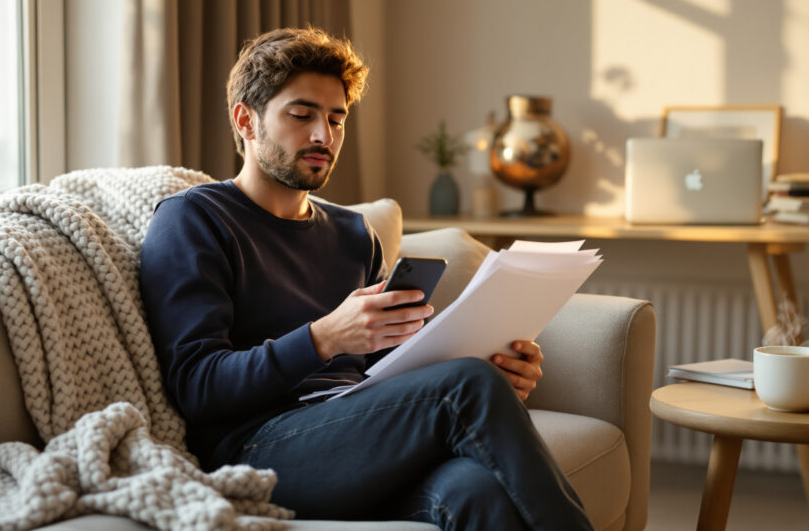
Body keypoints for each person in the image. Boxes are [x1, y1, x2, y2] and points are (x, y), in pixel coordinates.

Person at [140, 26, 593, 530]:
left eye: (336, 119)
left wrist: (496, 369)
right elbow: (196, 386)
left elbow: (398, 368)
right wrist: (323, 338)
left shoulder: (355, 234)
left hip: (361, 436)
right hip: (258, 448)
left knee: (475, 490)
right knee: (465, 387)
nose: (323, 136)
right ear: (245, 120)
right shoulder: (192, 219)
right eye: (301, 114)